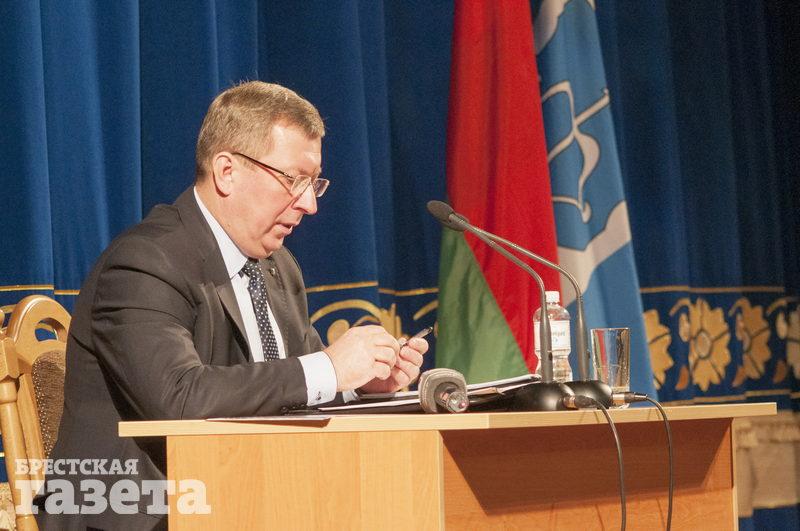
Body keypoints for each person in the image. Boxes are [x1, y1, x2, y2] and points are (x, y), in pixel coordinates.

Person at [36, 81, 428, 530]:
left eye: (314, 183)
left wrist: (359, 385)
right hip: (141, 513)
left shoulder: (278, 266)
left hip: (247, 499)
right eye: (294, 180)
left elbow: (293, 388)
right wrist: (329, 369)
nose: (309, 204)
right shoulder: (146, 262)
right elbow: (180, 399)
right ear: (226, 171)